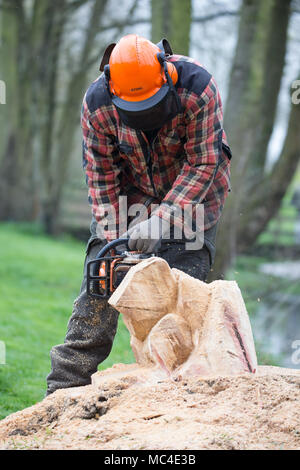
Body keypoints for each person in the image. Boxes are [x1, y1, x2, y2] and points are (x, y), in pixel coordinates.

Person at [46, 34, 232, 395]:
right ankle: (62, 391)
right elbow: (100, 178)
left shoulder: (198, 88)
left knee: (179, 303)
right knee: (98, 290)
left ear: (167, 79)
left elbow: (203, 163)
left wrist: (165, 218)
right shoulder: (97, 104)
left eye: (153, 106)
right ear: (113, 91)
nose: (145, 117)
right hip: (130, 196)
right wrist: (116, 239)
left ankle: (178, 399)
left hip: (194, 198)